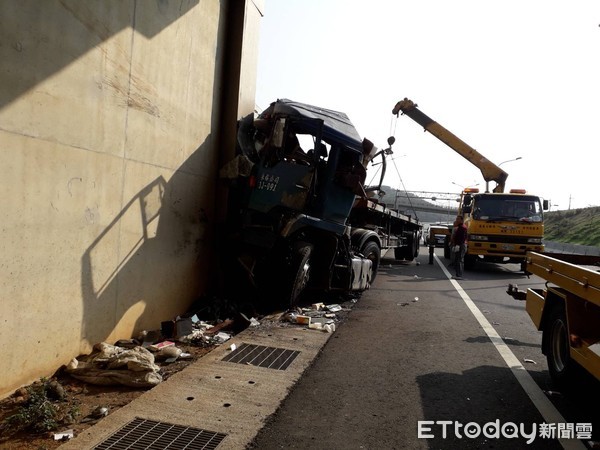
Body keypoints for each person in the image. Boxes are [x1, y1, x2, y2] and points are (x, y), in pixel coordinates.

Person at [451, 215, 468, 279]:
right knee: (457, 259)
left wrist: (458, 245)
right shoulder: (459, 227)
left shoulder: (462, 228)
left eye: (458, 219)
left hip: (461, 245)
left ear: (461, 220)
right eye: (456, 219)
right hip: (459, 245)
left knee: (459, 260)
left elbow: (462, 238)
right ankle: (457, 274)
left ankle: (459, 275)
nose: (456, 220)